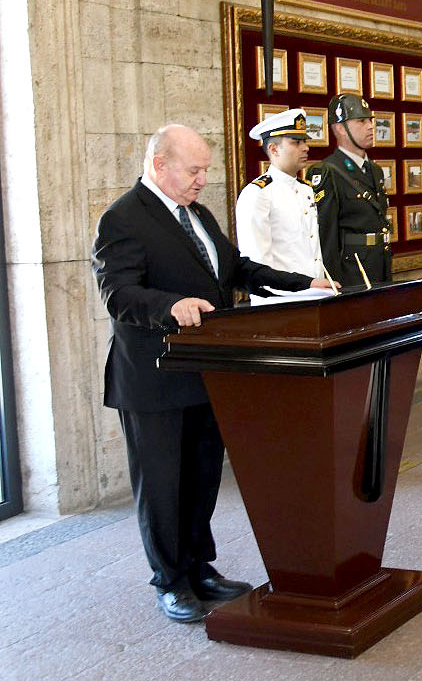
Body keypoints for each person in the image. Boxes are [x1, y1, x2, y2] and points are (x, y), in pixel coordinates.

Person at [92, 125, 332, 623]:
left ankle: (200, 568)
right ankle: (170, 581)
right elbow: (117, 292)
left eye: (205, 170)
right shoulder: (124, 218)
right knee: (162, 484)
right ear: (160, 164)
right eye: (194, 170)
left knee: (202, 477)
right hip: (154, 377)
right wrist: (170, 304)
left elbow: (237, 269)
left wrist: (302, 284)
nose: (204, 180)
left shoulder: (196, 214)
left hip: (207, 370)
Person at [235, 109, 325, 303]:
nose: (305, 148)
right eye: (296, 142)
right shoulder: (258, 193)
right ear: (274, 149)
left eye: (305, 141)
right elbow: (256, 262)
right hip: (280, 301)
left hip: (314, 296)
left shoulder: (305, 190)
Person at [310, 93, 392, 287]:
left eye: (371, 120)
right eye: (362, 121)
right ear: (341, 128)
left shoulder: (375, 170)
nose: (371, 126)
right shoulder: (327, 172)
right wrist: (333, 283)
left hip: (379, 266)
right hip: (351, 274)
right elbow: (326, 237)